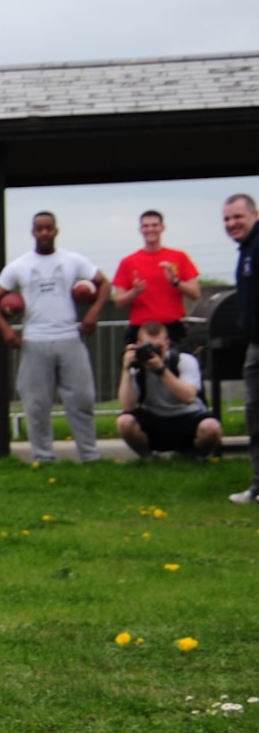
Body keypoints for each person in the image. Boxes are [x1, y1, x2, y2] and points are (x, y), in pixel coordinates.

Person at [0, 211, 107, 465]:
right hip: (34, 340)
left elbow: (104, 284)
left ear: (56, 231)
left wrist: (92, 314)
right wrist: (6, 329)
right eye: (39, 229)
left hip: (69, 337)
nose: (44, 233)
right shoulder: (19, 265)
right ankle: (44, 457)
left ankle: (90, 456)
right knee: (36, 404)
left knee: (82, 398)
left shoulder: (73, 260)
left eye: (48, 228)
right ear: (33, 233)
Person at [117, 322, 221, 460]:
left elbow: (188, 397)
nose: (154, 353)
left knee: (212, 427)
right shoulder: (137, 365)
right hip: (154, 419)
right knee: (125, 421)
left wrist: (161, 370)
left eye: (158, 347)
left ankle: (198, 457)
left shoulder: (184, 361)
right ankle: (147, 457)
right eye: (149, 347)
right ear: (139, 344)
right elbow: (127, 406)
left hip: (188, 417)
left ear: (167, 343)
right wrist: (126, 370)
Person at [110, 209, 201, 347]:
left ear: (162, 228)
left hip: (172, 328)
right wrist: (135, 292)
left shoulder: (179, 257)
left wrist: (175, 282)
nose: (150, 229)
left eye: (154, 225)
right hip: (141, 329)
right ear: (140, 229)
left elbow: (195, 294)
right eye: (146, 226)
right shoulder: (128, 262)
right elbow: (118, 302)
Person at [222, 194, 259, 504]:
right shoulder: (247, 250)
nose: (232, 224)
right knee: (255, 414)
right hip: (254, 345)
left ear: (255, 214)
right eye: (227, 219)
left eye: (238, 217)